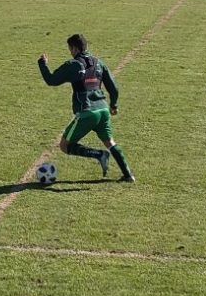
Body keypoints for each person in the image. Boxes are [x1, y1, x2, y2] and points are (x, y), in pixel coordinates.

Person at [37, 33, 135, 183]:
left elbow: (51, 80)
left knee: (64, 146)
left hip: (87, 112)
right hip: (103, 110)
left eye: (70, 49)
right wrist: (113, 105)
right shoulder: (99, 63)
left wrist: (42, 64)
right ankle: (128, 175)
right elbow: (114, 89)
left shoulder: (73, 65)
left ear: (75, 49)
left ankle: (99, 155)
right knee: (110, 142)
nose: (70, 52)